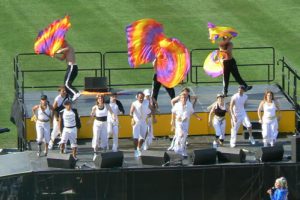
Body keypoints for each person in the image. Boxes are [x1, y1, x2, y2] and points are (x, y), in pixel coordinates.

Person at [90, 95, 115, 160]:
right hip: (97, 123)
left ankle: (104, 153)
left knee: (104, 137)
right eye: (99, 98)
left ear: (103, 99)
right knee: (96, 137)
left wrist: (113, 117)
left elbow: (112, 113)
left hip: (104, 123)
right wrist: (92, 114)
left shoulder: (107, 106)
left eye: (101, 98)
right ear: (97, 100)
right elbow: (92, 115)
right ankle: (95, 153)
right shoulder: (95, 107)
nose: (100, 99)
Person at [130, 92, 151, 157]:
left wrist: (150, 115)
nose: (141, 99)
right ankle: (135, 150)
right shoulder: (134, 103)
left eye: (142, 98)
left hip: (144, 122)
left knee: (143, 138)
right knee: (135, 137)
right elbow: (131, 112)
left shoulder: (147, 102)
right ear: (137, 97)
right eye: (140, 98)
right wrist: (132, 119)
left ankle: (139, 148)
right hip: (136, 122)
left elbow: (150, 110)